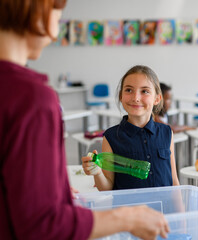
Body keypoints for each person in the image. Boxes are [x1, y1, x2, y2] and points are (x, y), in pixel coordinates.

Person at [0, 1, 169, 239]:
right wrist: (127, 218)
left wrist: (54, 192)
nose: (55, 32)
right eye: (57, 16)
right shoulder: (32, 99)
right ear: (38, 11)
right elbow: (41, 224)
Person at [82, 66, 180, 190]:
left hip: (163, 209)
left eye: (144, 91)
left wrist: (181, 209)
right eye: (129, 90)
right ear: (120, 96)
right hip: (128, 209)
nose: (136, 98)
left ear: (157, 98)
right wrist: (97, 173)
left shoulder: (166, 132)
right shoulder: (111, 137)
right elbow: (106, 188)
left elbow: (174, 182)